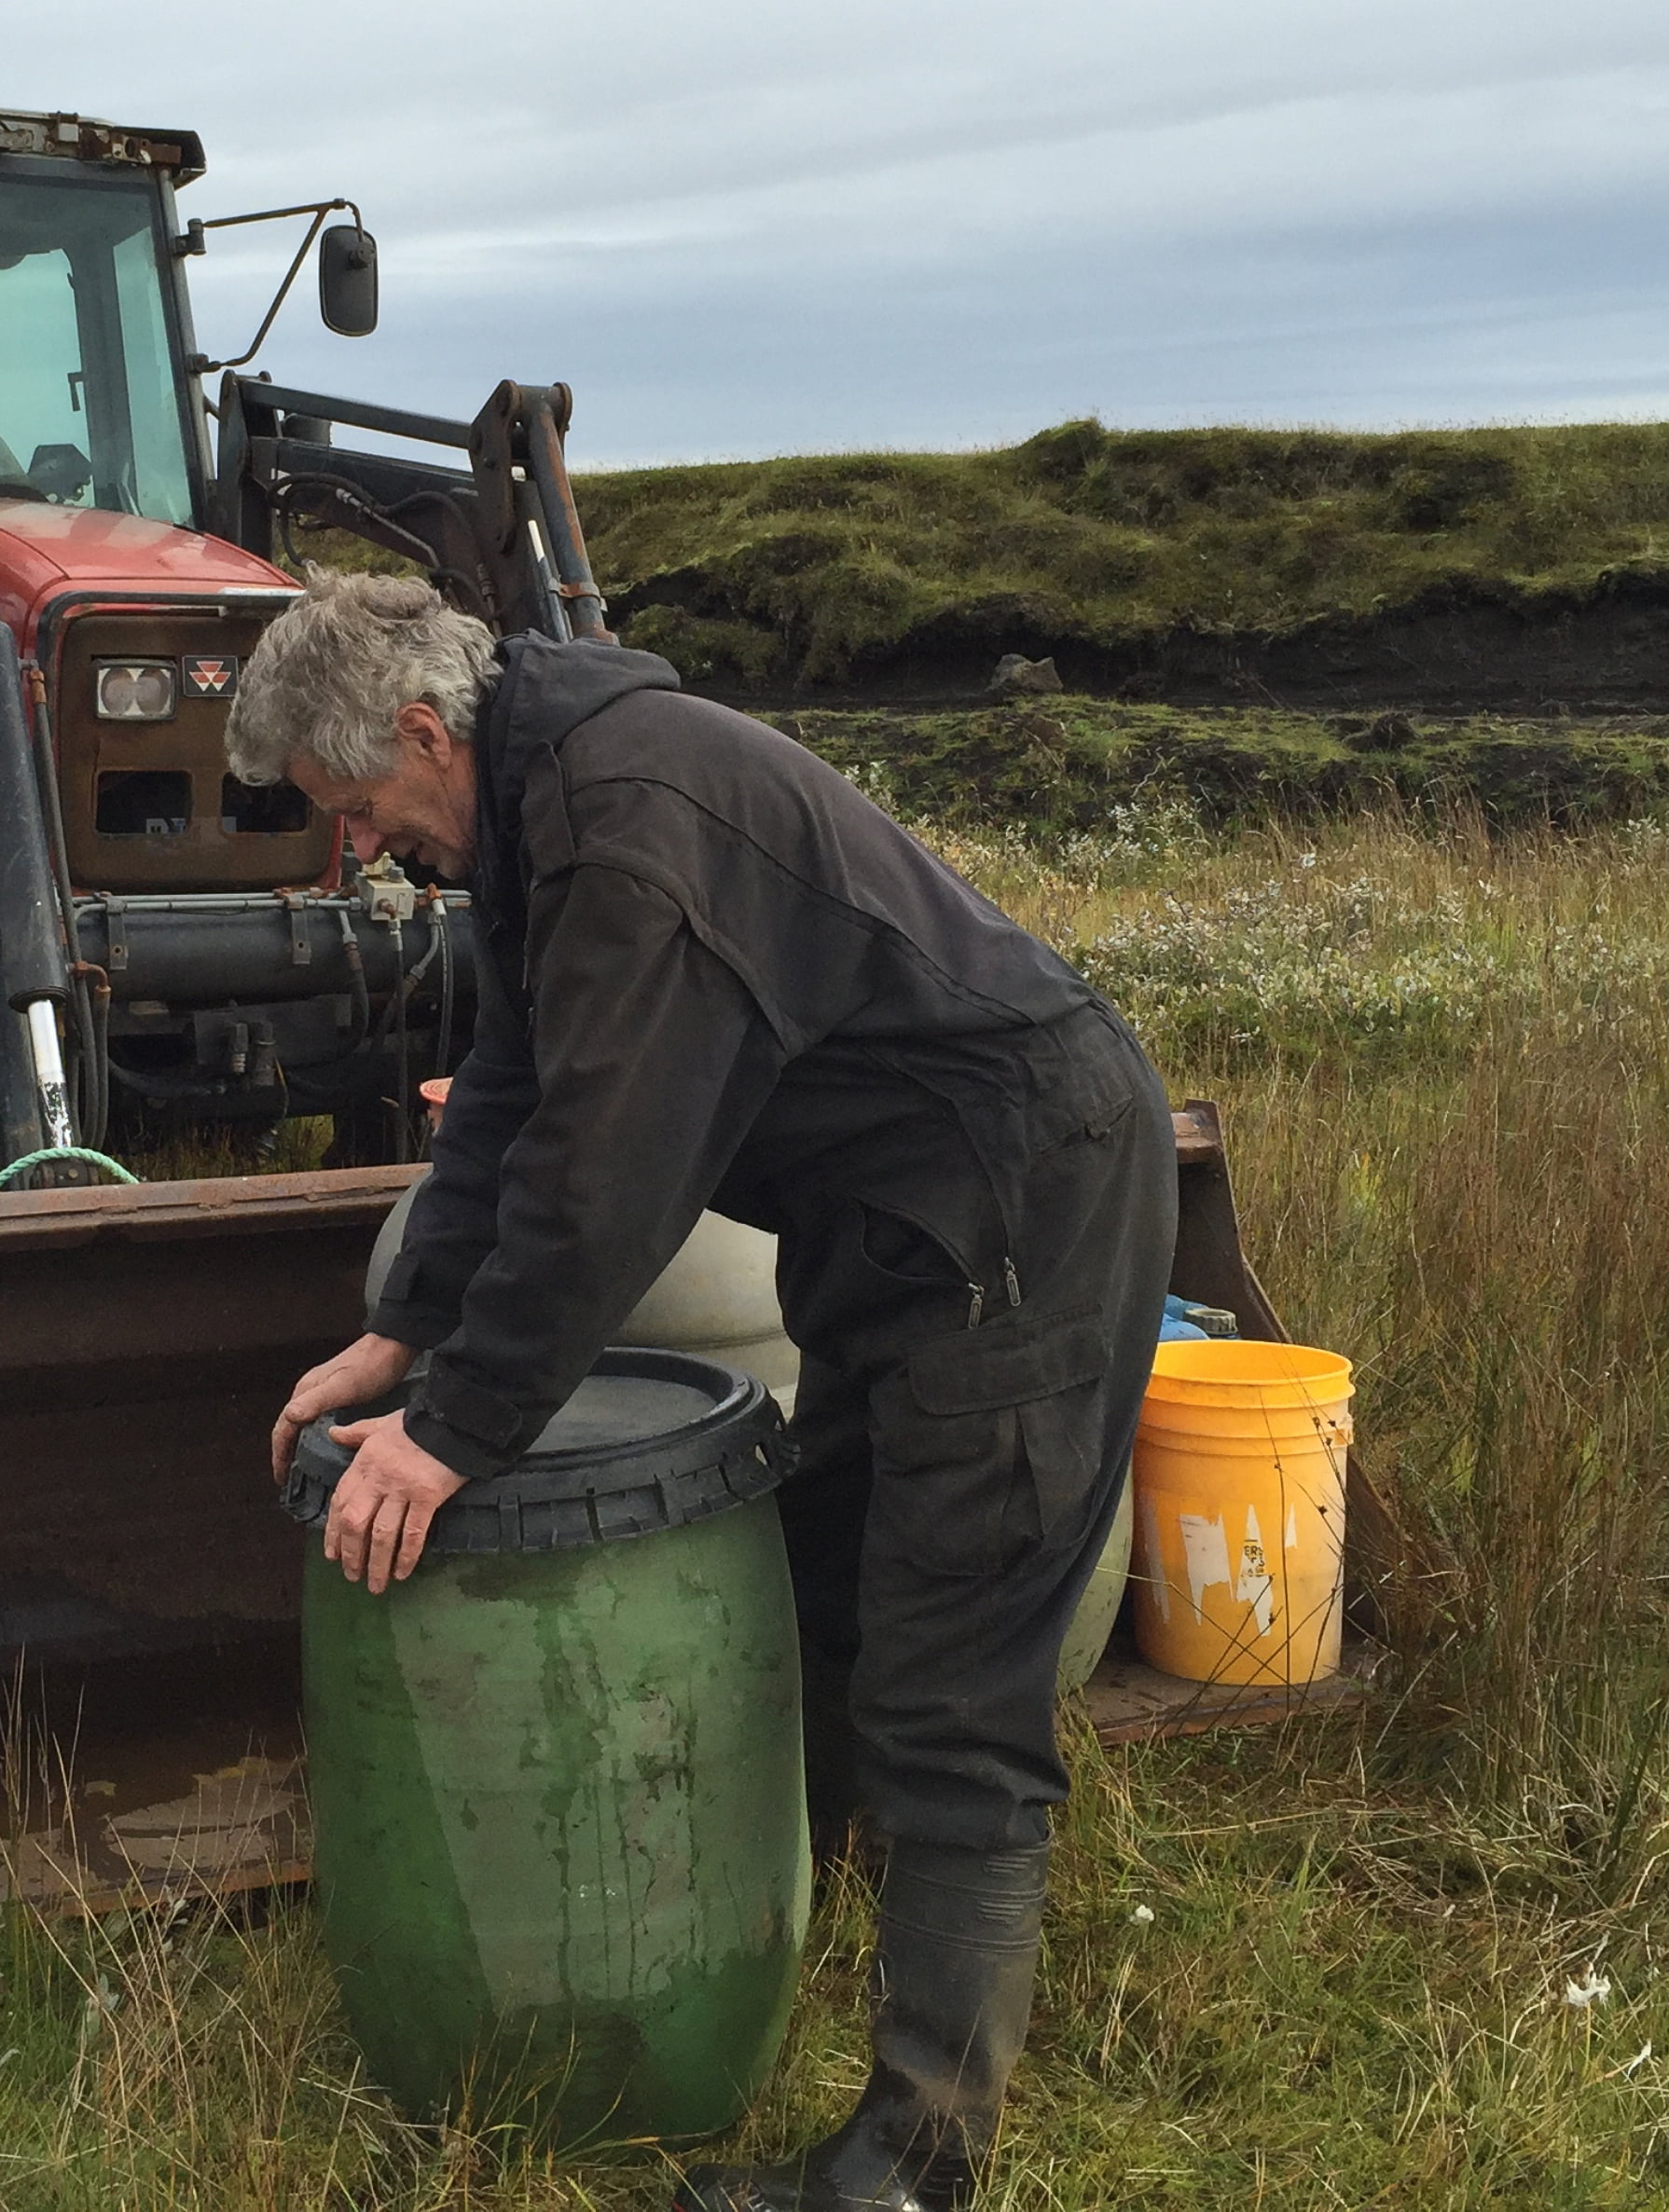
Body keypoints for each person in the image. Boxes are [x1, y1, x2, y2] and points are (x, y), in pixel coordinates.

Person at [231, 574, 1174, 2212]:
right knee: (823, 1612)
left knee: (951, 1694)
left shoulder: (632, 819)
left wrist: (458, 1430)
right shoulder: (545, 808)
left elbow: (606, 1177)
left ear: (418, 731)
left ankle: (909, 2166)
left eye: (354, 808)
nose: (363, 847)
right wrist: (402, 1327)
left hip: (1017, 1217)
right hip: (900, 1239)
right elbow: (514, 1092)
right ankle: (733, 1980)